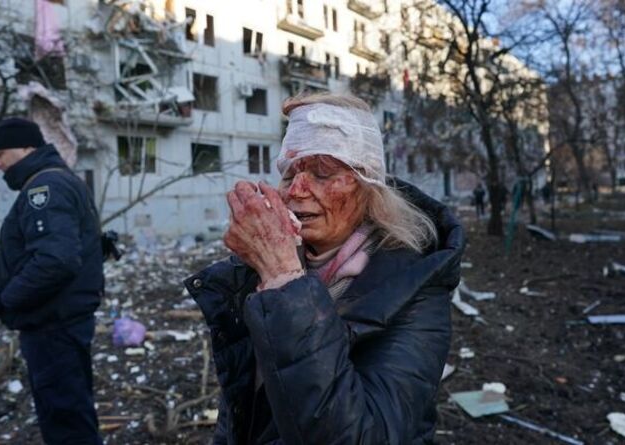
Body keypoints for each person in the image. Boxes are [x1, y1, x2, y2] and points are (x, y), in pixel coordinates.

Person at [184, 94, 465, 444]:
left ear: (369, 189)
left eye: (322, 173)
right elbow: (243, 408)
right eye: (289, 175)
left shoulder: (416, 287)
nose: (296, 191)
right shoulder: (265, 266)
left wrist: (284, 280)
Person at [0, 117, 104, 445]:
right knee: (69, 414)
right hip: (58, 324)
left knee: (65, 421)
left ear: (28, 147)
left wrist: (8, 300)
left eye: (0, 153)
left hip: (52, 326)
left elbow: (55, 260)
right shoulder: (53, 181)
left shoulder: (45, 188)